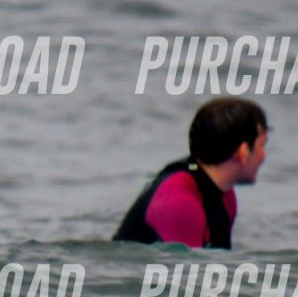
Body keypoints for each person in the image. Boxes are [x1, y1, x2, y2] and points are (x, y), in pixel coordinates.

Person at [114, 97, 269, 249]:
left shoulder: (225, 196)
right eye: (262, 145)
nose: (264, 155)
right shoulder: (180, 201)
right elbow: (185, 266)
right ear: (243, 152)